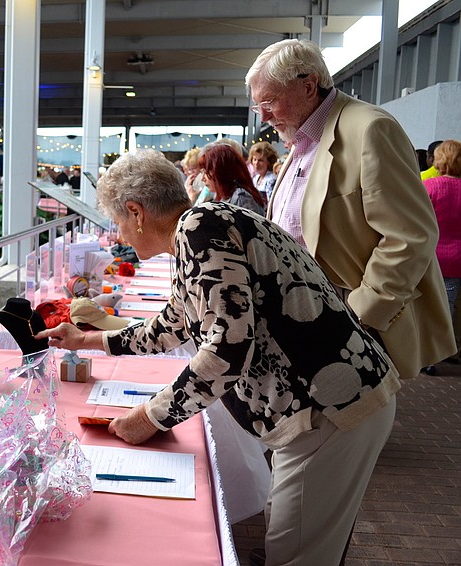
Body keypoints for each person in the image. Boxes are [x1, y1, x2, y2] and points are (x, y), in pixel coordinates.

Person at [36, 149, 400, 565]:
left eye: (118, 221)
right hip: (329, 402)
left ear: (136, 212)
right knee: (300, 535)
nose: (118, 234)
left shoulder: (200, 232)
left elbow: (226, 348)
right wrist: (87, 341)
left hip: (328, 408)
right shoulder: (201, 227)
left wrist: (150, 417)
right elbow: (172, 325)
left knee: (297, 552)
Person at [246, 38, 454, 380]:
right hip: (302, 319)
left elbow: (411, 236)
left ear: (309, 85)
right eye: (259, 107)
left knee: (346, 428)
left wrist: (357, 316)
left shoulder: (370, 128)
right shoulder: (300, 140)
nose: (264, 117)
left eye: (269, 102)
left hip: (347, 323)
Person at [424, 140, 461, 357]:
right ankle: (451, 349)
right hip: (458, 259)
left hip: (433, 256)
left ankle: (432, 354)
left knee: (432, 306)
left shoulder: (430, 186)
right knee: (451, 307)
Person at [198, 143, 266, 215]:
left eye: (206, 172)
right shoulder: (225, 195)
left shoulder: (240, 197)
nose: (202, 178)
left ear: (220, 171)